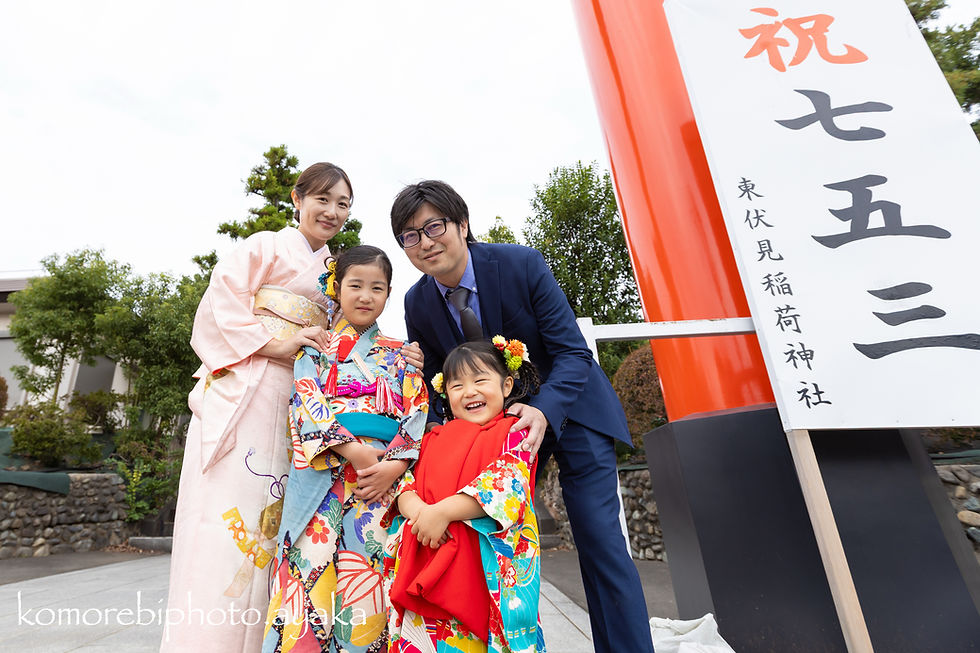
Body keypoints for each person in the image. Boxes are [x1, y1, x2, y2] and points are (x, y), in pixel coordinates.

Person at [163, 164, 422, 651]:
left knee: (284, 522)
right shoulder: (263, 246)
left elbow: (352, 338)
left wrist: (402, 358)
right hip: (251, 385)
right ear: (297, 198)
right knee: (229, 520)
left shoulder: (334, 269)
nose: (332, 212)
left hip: (303, 402)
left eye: (343, 204)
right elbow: (219, 308)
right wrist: (277, 344)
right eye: (323, 199)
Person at [390, 180, 655, 653]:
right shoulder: (417, 302)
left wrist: (542, 409)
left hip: (571, 411)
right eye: (410, 236)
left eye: (434, 227)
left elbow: (573, 352)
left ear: (462, 224)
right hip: (497, 437)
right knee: (493, 538)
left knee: (600, 542)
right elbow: (438, 384)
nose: (425, 242)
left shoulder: (521, 264)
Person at [261, 246, 429, 652]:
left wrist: (395, 466)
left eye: (377, 288)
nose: (365, 296)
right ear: (337, 288)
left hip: (380, 481)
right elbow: (305, 401)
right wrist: (351, 449)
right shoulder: (314, 349)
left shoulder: (403, 353)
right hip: (323, 474)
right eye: (355, 285)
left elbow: (418, 409)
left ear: (388, 294)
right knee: (309, 573)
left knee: (368, 576)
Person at [384, 338, 546, 652]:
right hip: (428, 555)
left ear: (507, 385)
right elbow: (404, 485)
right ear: (446, 394)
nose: (469, 391)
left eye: (480, 380)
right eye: (457, 385)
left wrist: (441, 512)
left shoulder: (515, 432)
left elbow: (506, 485)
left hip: (481, 572)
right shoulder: (431, 438)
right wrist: (421, 513)